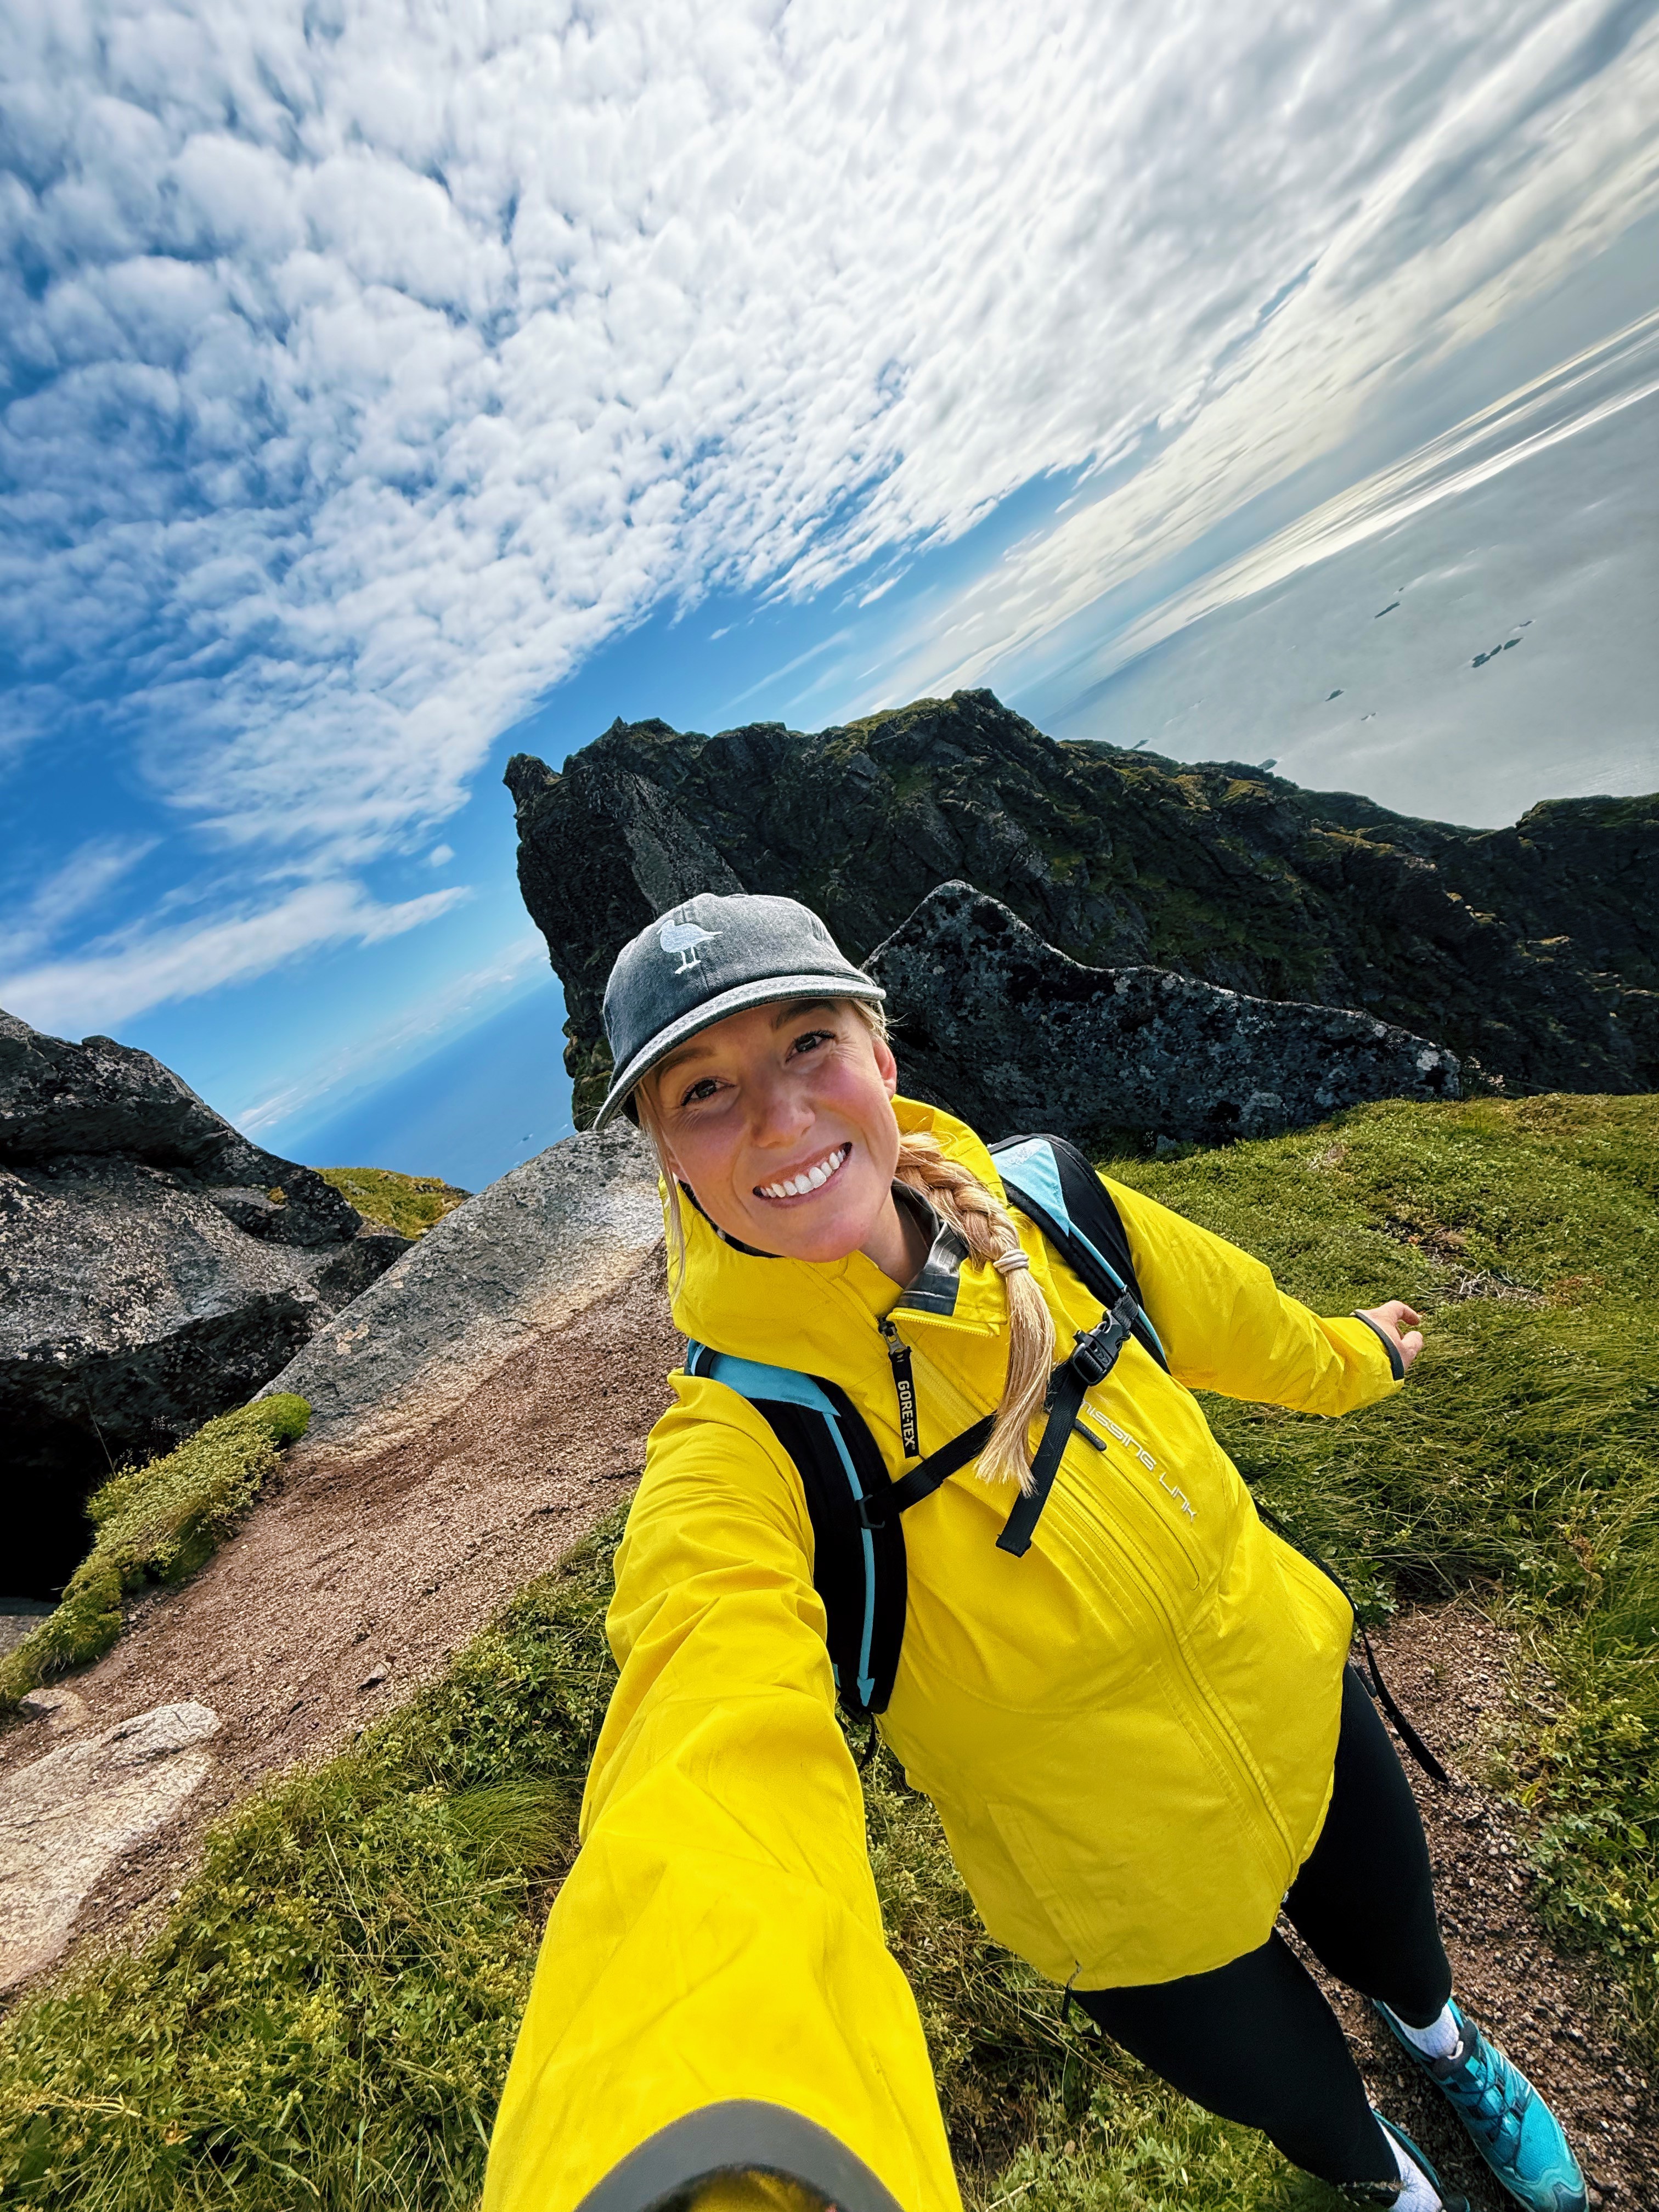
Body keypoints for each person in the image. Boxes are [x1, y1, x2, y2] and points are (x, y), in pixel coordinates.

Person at [483, 892, 1587, 2212]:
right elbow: (701, 1729)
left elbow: (1240, 1319)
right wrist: (698, 2143)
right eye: (705, 1090)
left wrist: (1366, 1354)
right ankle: (1396, 2187)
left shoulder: (1056, 1203)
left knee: (1406, 1955)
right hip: (1113, 1890)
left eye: (808, 1045)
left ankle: (1447, 2050)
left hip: (1297, 1697)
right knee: (1306, 2107)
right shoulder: (739, 1444)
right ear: (667, 1158)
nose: (778, 1118)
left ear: (882, 1058)